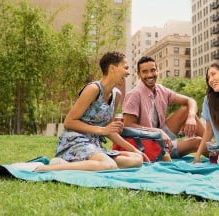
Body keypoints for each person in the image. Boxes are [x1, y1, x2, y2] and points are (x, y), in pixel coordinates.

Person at [11, 51, 147, 172]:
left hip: (93, 145)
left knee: (136, 160)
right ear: (112, 68)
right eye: (126, 68)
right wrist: (102, 131)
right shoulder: (93, 89)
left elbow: (109, 130)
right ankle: (48, 168)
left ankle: (84, 164)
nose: (128, 72)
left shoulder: (116, 94)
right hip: (75, 142)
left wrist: (136, 150)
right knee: (108, 165)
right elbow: (69, 122)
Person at [122, 56, 207, 159]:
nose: (149, 75)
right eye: (145, 72)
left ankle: (214, 147)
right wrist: (157, 132)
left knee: (186, 110)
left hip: (161, 134)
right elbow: (127, 126)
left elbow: (190, 100)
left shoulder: (161, 90)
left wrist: (191, 117)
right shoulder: (134, 95)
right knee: (197, 142)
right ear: (139, 74)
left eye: (153, 70)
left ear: (157, 71)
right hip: (147, 142)